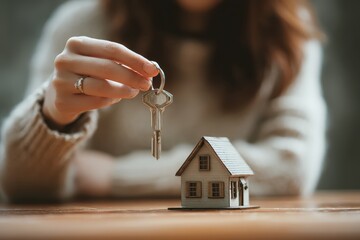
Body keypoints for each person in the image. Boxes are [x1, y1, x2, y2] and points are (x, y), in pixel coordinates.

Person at [0, 0, 326, 202]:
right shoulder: (81, 26)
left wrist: (117, 176)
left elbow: (291, 167)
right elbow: (23, 187)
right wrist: (52, 118)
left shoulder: (286, 35)